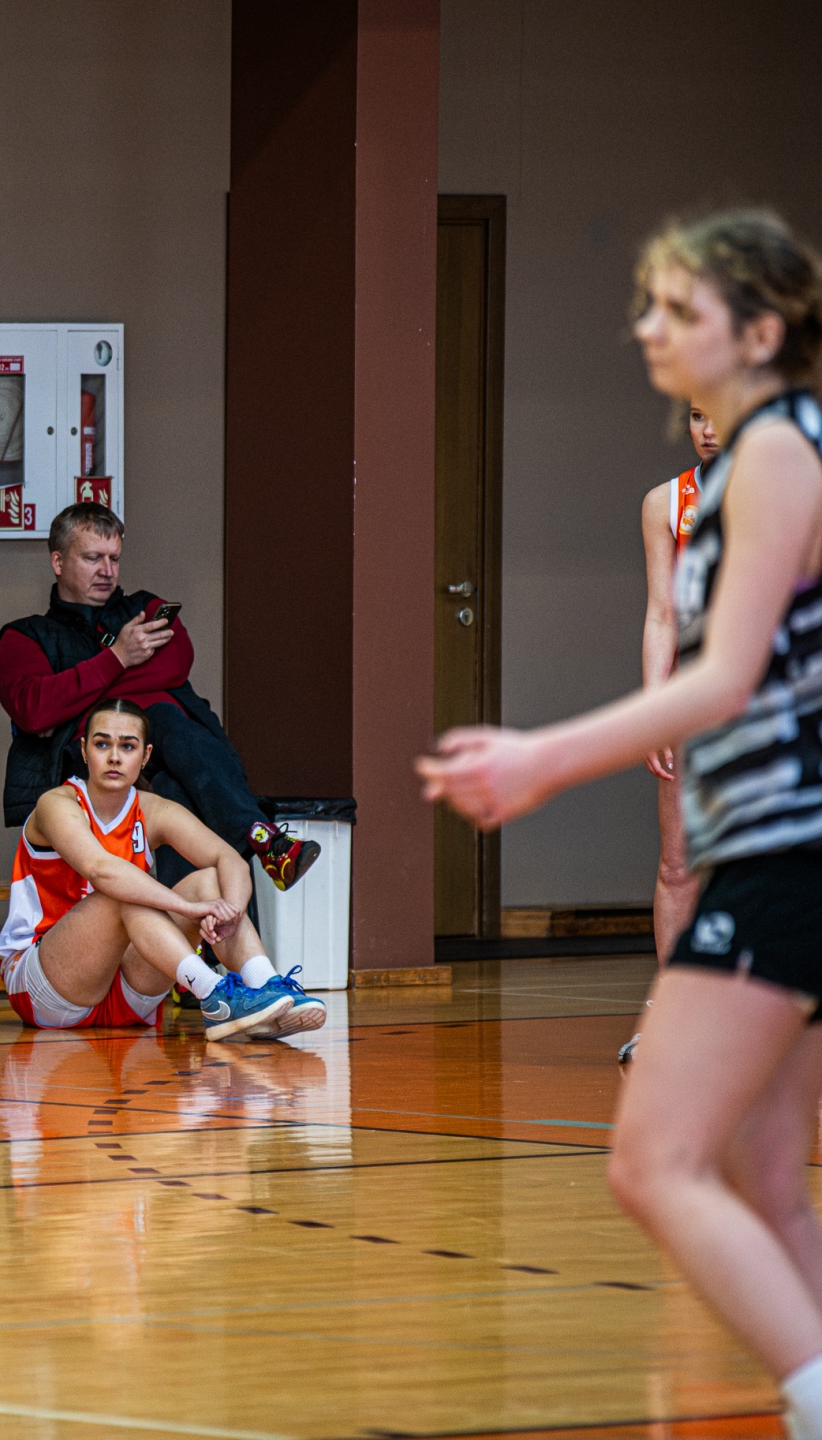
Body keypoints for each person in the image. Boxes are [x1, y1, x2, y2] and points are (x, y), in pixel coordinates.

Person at [419, 209, 822, 1439]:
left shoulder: (782, 452)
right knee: (765, 1174)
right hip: (770, 837)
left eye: (679, 308)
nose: (650, 327)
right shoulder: (734, 469)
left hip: (792, 851)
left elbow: (727, 675)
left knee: (653, 1163)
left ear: (760, 331)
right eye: (647, 304)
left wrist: (544, 757)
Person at [0, 503, 317, 891]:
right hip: (89, 765)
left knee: (171, 775)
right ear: (58, 562)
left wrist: (72, 696)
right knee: (160, 715)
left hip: (178, 756)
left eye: (115, 558)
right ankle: (263, 841)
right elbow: (33, 709)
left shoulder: (146, 609)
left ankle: (196, 920)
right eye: (93, 558)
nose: (107, 571)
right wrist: (119, 657)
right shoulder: (24, 636)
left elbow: (175, 664)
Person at [0, 698, 325, 1041]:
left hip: (126, 988)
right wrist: (186, 907)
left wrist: (230, 912)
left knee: (211, 881)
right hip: (49, 987)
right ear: (84, 750)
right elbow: (101, 870)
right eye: (102, 744)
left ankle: (267, 985)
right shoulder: (56, 804)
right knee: (121, 892)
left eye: (128, 746)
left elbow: (230, 860)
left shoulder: (153, 810)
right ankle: (214, 994)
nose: (114, 757)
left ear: (146, 756)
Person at [622, 404, 721, 1063]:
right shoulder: (666, 502)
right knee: (679, 864)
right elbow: (661, 613)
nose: (707, 429)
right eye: (695, 415)